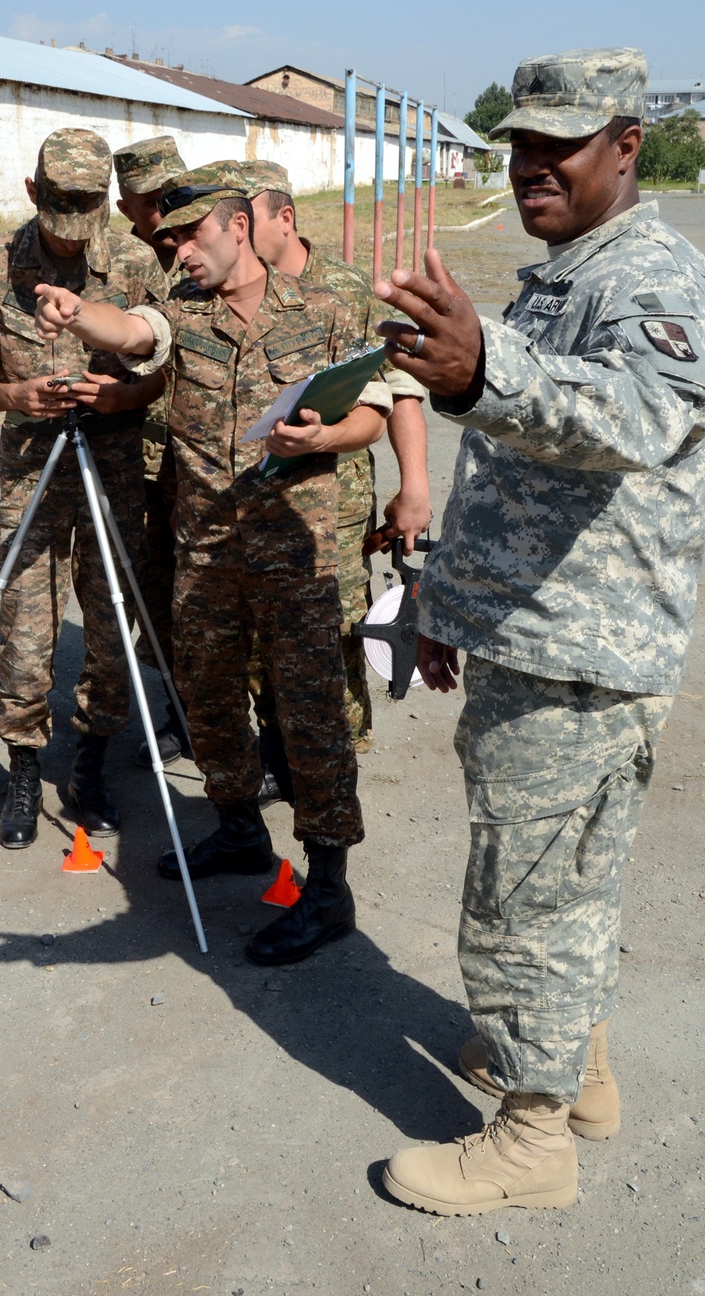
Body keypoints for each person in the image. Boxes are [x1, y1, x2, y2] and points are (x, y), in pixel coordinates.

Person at [372, 48, 705, 1215]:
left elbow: (635, 416)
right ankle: (579, 1075)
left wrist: (483, 368)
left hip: (582, 649)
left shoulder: (653, 274)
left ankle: (528, 1140)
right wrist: (454, 599)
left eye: (557, 145)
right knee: (568, 880)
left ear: (627, 144)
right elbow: (522, 469)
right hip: (537, 630)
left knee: (523, 893)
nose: (528, 167)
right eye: (517, 144)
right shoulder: (568, 271)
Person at [34, 162, 394, 965]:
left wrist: (322, 439)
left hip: (296, 559)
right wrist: (76, 314)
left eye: (191, 234)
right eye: (169, 237)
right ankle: (238, 832)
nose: (179, 250)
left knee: (311, 720)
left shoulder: (330, 306)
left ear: (239, 226)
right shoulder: (180, 312)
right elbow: (132, 333)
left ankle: (328, 887)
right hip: (205, 554)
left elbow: (374, 409)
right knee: (211, 705)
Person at [0, 128, 168, 848]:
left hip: (114, 470)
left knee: (111, 628)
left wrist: (121, 398)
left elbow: (165, 370)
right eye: (59, 216)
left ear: (108, 202)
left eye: (89, 215)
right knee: (24, 629)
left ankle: (92, 763)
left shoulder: (138, 263)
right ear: (31, 194)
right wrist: (16, 393)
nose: (74, 237)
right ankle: (21, 767)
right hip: (32, 473)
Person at [241, 159, 431, 794]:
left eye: (249, 220)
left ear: (284, 218)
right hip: (260, 501)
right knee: (263, 635)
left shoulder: (348, 291)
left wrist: (415, 489)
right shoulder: (239, 292)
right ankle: (278, 758)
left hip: (339, 500)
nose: (235, 235)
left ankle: (335, 768)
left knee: (338, 630)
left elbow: (402, 393)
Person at [112, 135, 193, 765]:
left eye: (174, 194)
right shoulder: (117, 264)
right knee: (154, 584)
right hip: (140, 452)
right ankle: (178, 712)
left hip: (197, 450)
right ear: (124, 207)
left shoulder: (207, 248)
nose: (165, 212)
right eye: (151, 202)